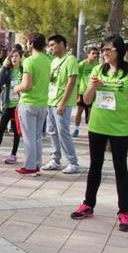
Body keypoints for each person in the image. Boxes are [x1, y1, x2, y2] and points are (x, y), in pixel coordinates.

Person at [72, 34, 128, 232]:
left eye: (108, 50)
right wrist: (92, 86)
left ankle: (123, 211)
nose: (104, 53)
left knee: (120, 168)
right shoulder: (99, 70)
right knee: (95, 167)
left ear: (119, 51)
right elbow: (88, 100)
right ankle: (88, 204)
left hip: (119, 128)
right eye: (102, 50)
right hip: (97, 125)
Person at [13, 33, 51, 176]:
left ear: (31, 43)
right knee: (37, 137)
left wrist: (16, 88)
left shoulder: (29, 61)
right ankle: (36, 164)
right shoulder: (48, 60)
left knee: (28, 137)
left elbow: (26, 85)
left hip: (29, 103)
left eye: (28, 42)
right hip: (43, 103)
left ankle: (29, 166)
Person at [44, 34, 80, 173]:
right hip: (51, 101)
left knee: (63, 132)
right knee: (52, 131)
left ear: (61, 44)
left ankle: (73, 162)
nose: (50, 48)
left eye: (52, 45)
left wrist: (63, 103)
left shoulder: (70, 59)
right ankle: (55, 159)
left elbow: (71, 82)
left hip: (62, 103)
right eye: (49, 45)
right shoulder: (53, 61)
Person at [73, 46, 99, 137]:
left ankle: (91, 130)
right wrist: (76, 93)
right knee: (79, 111)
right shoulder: (82, 64)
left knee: (92, 113)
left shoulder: (97, 65)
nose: (95, 55)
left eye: (96, 54)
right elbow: (75, 77)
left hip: (93, 93)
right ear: (88, 54)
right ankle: (76, 129)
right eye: (93, 53)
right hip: (82, 92)